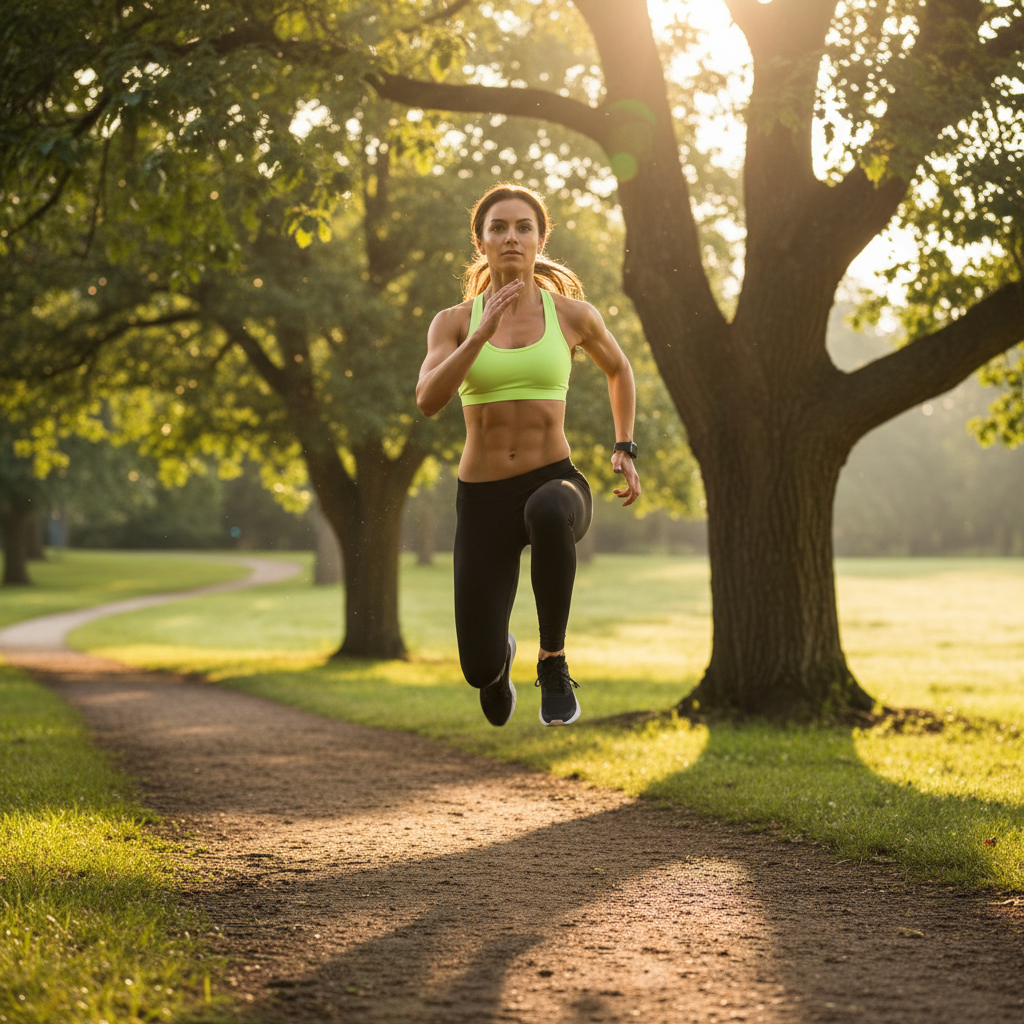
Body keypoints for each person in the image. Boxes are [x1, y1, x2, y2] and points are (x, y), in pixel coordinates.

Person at [416, 184, 641, 728]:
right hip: (483, 500)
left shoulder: (572, 315)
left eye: (523, 227)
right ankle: (499, 666)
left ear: (540, 240)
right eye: (498, 228)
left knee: (547, 507)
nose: (511, 237)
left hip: (555, 483)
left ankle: (553, 659)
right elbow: (427, 400)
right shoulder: (453, 322)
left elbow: (619, 369)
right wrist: (480, 335)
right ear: (481, 242)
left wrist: (624, 446)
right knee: (477, 667)